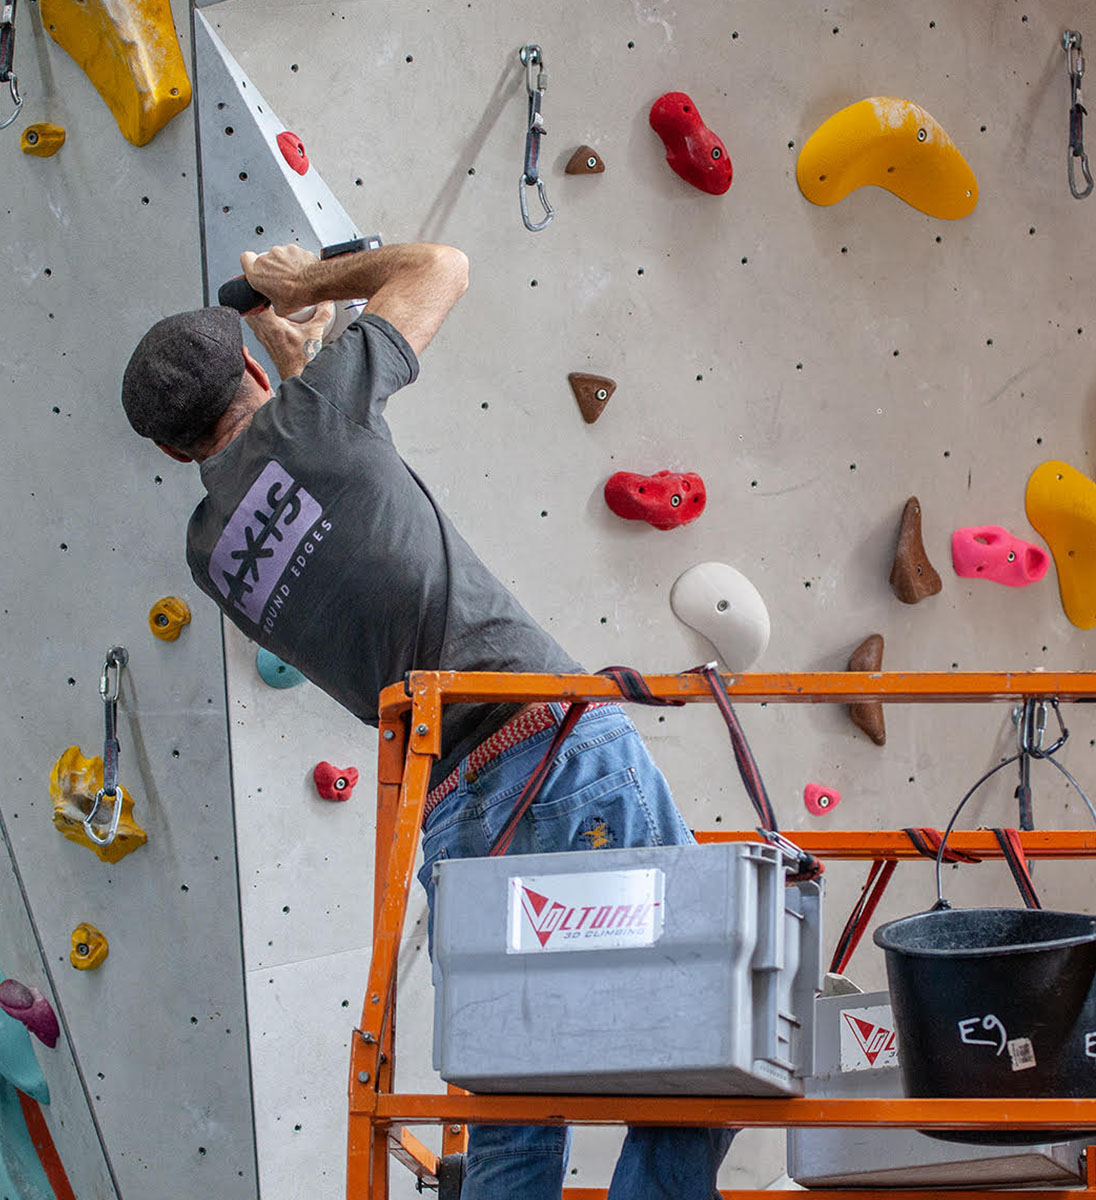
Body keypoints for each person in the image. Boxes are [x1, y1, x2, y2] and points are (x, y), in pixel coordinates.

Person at [120, 241, 734, 1199]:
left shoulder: (210, 552)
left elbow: (311, 478)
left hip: (452, 813)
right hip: (554, 749)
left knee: (511, 1104)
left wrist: (295, 359)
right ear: (249, 369)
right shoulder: (314, 420)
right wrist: (305, 287)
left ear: (169, 450)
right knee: (708, 1021)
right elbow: (441, 267)